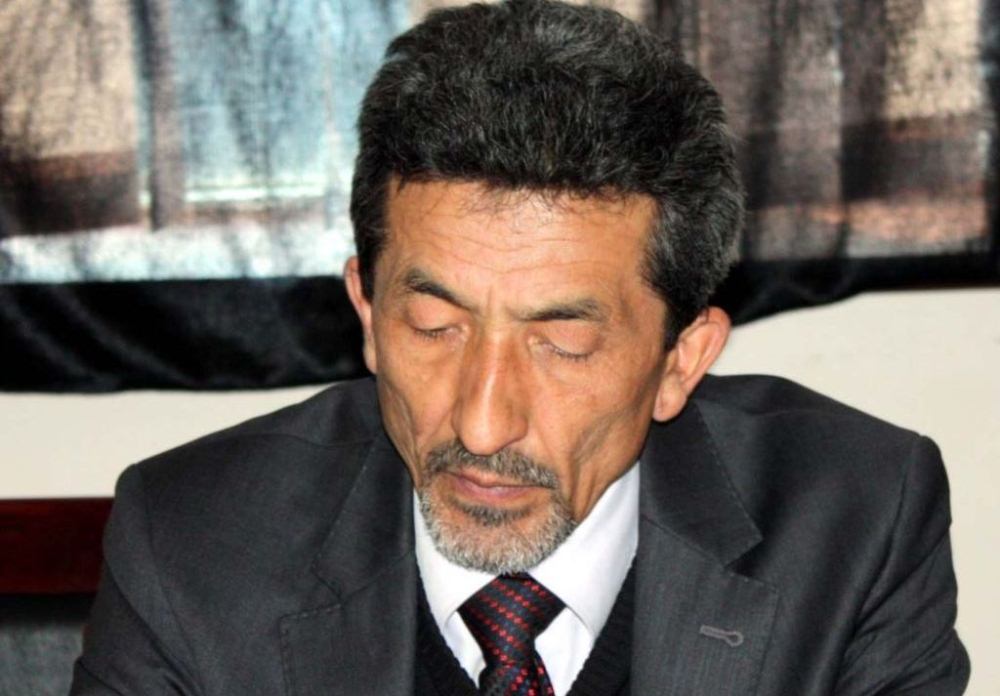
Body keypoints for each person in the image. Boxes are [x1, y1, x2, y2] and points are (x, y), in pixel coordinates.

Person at [70, 1, 969, 694]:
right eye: (435, 327)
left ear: (681, 361)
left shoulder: (854, 521)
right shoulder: (192, 539)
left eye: (563, 344)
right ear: (367, 313)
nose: (482, 422)